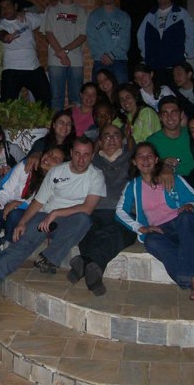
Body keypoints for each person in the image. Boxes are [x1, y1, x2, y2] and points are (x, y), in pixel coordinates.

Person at [0, 136, 106, 302]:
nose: (81, 159)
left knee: (83, 220)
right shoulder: (57, 171)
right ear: (72, 153)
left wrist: (56, 213)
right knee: (21, 245)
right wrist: (22, 223)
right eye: (78, 153)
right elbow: (38, 202)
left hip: (69, 222)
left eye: (86, 155)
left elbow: (87, 208)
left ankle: (48, 258)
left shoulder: (96, 175)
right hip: (44, 217)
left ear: (92, 156)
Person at [116, 142, 194, 301]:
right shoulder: (133, 186)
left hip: (186, 224)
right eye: (140, 156)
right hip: (162, 231)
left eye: (149, 156)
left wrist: (191, 206)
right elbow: (120, 211)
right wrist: (140, 227)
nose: (145, 160)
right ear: (134, 162)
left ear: (156, 160)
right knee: (151, 242)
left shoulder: (173, 178)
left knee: (185, 218)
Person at [67, 124, 137, 295]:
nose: (111, 139)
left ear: (122, 139)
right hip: (95, 211)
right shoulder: (90, 161)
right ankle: (94, 269)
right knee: (87, 228)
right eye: (106, 135)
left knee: (120, 232)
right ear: (100, 141)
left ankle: (86, 262)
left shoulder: (133, 159)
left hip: (124, 212)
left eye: (116, 135)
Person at [0, 146, 66, 259]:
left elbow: (43, 206)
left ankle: (9, 243)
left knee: (16, 214)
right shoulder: (25, 166)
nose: (49, 158)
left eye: (55, 159)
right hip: (7, 209)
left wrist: (18, 204)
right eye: (49, 154)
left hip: (26, 216)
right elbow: (7, 189)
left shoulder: (57, 182)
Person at [136, 0, 194, 86]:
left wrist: (187, 54)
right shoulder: (150, 16)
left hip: (175, 65)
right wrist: (146, 55)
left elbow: (191, 34)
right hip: (156, 66)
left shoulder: (181, 13)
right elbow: (140, 36)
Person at [0, 0, 51, 106]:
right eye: (2, 7)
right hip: (12, 69)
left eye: (7, 6)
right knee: (7, 105)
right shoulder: (0, 25)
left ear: (15, 6)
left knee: (46, 99)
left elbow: (47, 16)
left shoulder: (27, 18)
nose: (5, 9)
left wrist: (52, 5)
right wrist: (6, 37)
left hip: (33, 67)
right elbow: (0, 34)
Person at [42, 0, 88, 110]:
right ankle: (57, 123)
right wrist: (61, 54)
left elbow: (83, 36)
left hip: (75, 60)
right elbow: (48, 33)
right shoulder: (51, 9)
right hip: (55, 60)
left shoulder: (81, 10)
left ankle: (75, 123)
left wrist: (65, 51)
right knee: (56, 97)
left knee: (76, 97)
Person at [87, 0, 131, 84]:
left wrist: (111, 55)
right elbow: (91, 39)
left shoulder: (124, 16)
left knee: (121, 90)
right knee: (99, 91)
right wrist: (102, 55)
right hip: (100, 60)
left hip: (119, 60)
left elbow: (125, 40)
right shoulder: (94, 16)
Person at [147, 96, 194, 179]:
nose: (169, 117)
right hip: (171, 184)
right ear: (160, 117)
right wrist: (161, 164)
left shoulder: (192, 133)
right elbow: (146, 168)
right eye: (165, 113)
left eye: (174, 112)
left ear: (181, 115)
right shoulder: (152, 141)